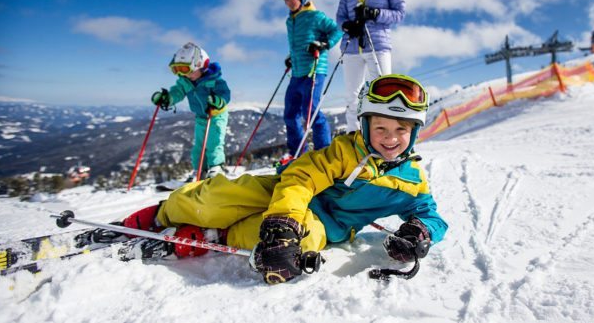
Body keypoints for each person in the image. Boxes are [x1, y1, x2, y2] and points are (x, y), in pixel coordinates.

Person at [90, 74, 447, 285]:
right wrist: (284, 219)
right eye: (380, 127)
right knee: (219, 197)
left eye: (401, 129)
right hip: (284, 190)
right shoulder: (346, 151)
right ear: (365, 125)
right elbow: (302, 178)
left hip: (326, 222)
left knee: (297, 241)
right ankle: (158, 217)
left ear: (414, 132)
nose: (390, 137)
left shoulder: (410, 180)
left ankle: (198, 239)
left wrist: (419, 232)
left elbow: (430, 213)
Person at [335, 0, 406, 132]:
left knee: (383, 90)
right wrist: (347, 26)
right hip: (351, 46)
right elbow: (340, 16)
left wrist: (375, 13)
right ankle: (353, 133)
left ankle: (384, 135)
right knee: (352, 94)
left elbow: (399, 14)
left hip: (377, 43)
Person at [277, 0, 343, 160]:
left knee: (310, 113)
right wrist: (292, 57)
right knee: (290, 115)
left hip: (314, 70)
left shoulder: (315, 16)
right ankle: (298, 153)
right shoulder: (290, 21)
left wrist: (324, 44)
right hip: (297, 73)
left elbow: (337, 30)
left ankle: (324, 152)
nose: (290, 1)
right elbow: (298, 43)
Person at [151, 42, 231, 178]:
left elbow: (225, 94)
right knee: (198, 147)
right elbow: (178, 92)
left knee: (214, 142)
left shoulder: (215, 80)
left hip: (216, 115)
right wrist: (167, 98)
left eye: (185, 69)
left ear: (200, 65)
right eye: (178, 69)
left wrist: (218, 101)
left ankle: (216, 168)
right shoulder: (186, 81)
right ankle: (200, 170)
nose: (183, 74)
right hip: (201, 116)